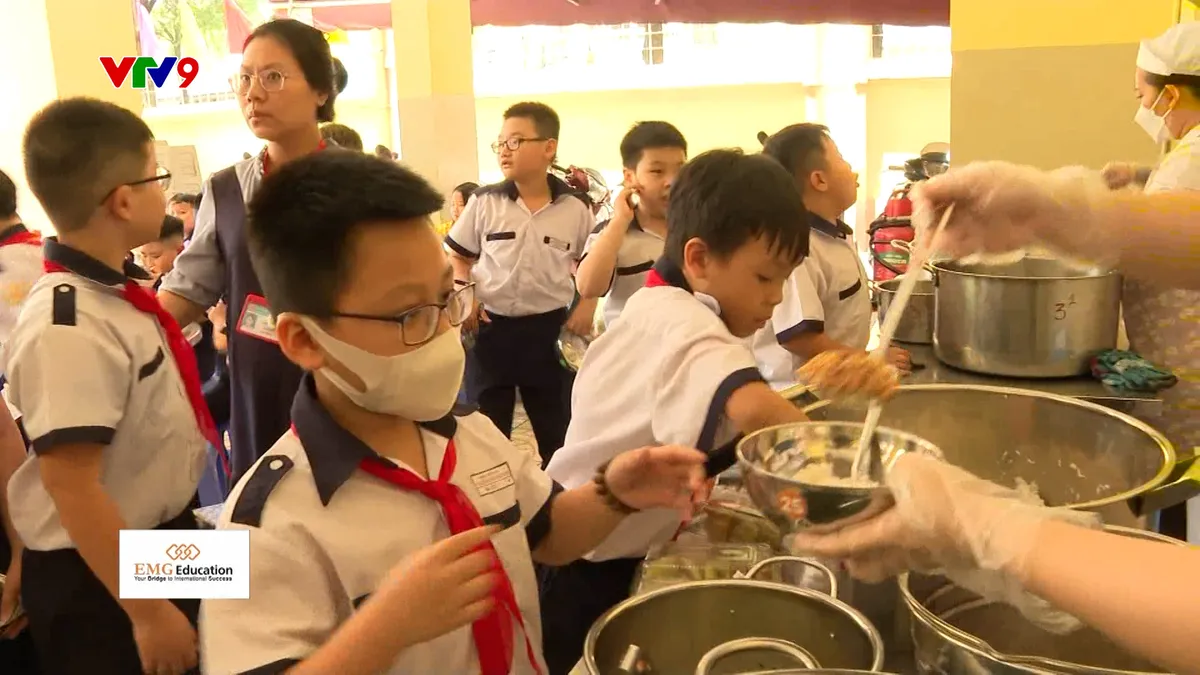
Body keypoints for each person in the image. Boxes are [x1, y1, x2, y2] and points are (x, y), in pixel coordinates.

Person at [200, 150, 708, 675]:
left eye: (448, 297)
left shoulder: (469, 434)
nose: (446, 333)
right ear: (306, 339)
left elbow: (548, 533)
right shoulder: (264, 525)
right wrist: (383, 631)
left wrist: (613, 492)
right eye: (410, 315)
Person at [538, 149, 900, 675]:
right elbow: (759, 411)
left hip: (603, 537)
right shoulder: (687, 326)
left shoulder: (658, 303)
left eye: (783, 281)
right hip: (590, 560)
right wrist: (871, 485)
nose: (775, 300)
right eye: (763, 279)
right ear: (700, 260)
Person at [4, 97, 211, 675]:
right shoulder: (67, 323)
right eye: (156, 177)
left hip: (160, 539)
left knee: (262, 574)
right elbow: (71, 487)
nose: (162, 190)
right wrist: (146, 613)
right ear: (123, 200)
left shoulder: (117, 293)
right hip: (102, 573)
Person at [159, 18, 346, 485]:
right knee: (259, 523)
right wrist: (124, 333)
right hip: (258, 388)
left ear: (321, 90)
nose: (253, 93)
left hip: (345, 383)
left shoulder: (361, 185)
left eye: (273, 77)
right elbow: (187, 289)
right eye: (244, 77)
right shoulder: (224, 190)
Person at [445, 102, 595, 465]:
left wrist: (588, 304)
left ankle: (556, 502)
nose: (505, 152)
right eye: (500, 144)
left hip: (548, 333)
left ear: (549, 147)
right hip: (491, 330)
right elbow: (458, 256)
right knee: (485, 432)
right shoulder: (484, 202)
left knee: (556, 429)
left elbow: (593, 264)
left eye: (515, 141)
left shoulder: (575, 208)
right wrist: (467, 297)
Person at [1100, 22, 1200, 541]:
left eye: (1142, 95)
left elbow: (1160, 229)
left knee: (1184, 482)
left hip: (1188, 355)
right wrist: (1141, 176)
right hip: (1175, 349)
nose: (1139, 106)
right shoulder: (1186, 152)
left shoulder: (1194, 157)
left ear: (1171, 94)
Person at [750, 124, 910, 391]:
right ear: (819, 180)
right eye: (843, 160)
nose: (853, 171)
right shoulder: (799, 248)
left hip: (835, 382)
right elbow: (801, 338)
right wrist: (869, 361)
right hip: (802, 394)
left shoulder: (835, 234)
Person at [575, 121, 687, 328]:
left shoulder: (699, 228)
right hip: (634, 351)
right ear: (630, 177)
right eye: (657, 171)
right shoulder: (611, 233)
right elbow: (588, 287)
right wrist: (620, 221)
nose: (672, 181)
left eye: (680, 170)